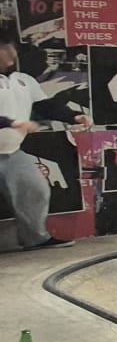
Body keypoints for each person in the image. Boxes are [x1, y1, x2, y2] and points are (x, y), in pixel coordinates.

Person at [0, 39, 89, 251]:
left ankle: (35, 239)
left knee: (35, 189)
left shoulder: (24, 80)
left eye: (12, 51)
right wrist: (12, 123)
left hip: (11, 152)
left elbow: (45, 106)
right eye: (5, 51)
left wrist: (73, 117)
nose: (11, 55)